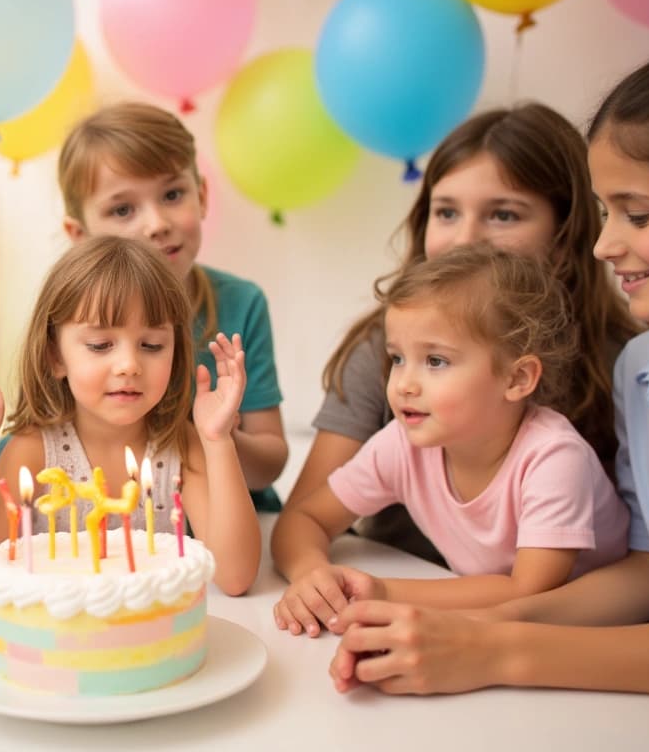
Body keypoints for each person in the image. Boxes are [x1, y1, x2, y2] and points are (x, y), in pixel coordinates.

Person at [327, 1, 649, 710]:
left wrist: (496, 646)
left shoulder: (605, 374)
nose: (604, 246)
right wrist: (463, 621)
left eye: (639, 214)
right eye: (604, 215)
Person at [282, 103, 641, 566]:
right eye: (447, 212)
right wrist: (318, 582)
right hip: (406, 580)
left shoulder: (627, 363)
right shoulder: (384, 349)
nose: (466, 238)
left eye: (504, 215)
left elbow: (645, 561)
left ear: (565, 237)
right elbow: (305, 517)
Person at [270, 247, 629, 635]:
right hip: (498, 630)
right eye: (397, 358)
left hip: (591, 634)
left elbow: (528, 591)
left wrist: (382, 589)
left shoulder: (555, 458)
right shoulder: (403, 444)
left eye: (436, 361)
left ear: (517, 379)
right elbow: (304, 519)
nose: (404, 384)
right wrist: (314, 577)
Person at [0, 235, 261, 597]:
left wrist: (218, 441)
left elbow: (235, 577)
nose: (128, 365)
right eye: (100, 345)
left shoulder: (180, 445)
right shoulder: (34, 451)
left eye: (152, 345)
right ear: (55, 356)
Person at [48, 101, 287, 511]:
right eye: (123, 209)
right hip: (122, 530)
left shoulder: (241, 303)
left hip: (231, 524)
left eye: (173, 194)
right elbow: (32, 449)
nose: (157, 223)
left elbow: (269, 464)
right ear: (79, 233)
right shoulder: (71, 316)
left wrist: (221, 438)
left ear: (203, 195)